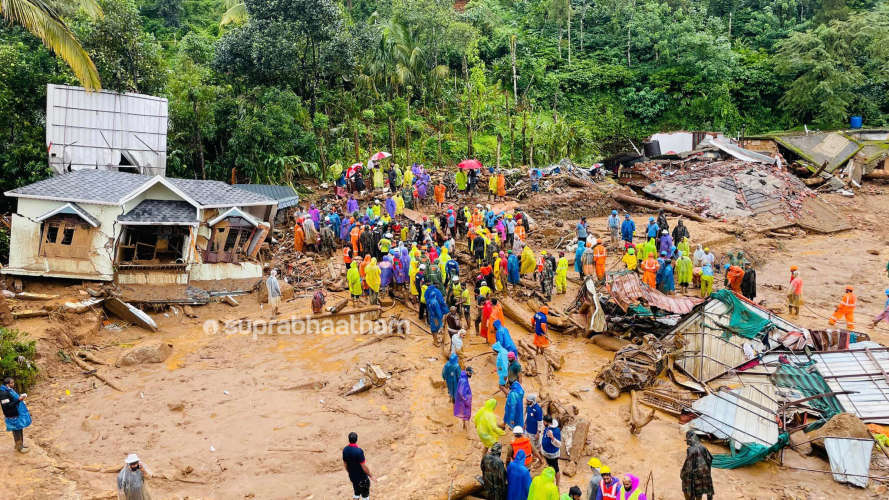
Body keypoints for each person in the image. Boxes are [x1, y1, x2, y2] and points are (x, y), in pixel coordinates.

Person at [681, 431, 713, 500]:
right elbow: (709, 461)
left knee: (688, 492)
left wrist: (682, 475)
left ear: (690, 439)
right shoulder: (704, 448)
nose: (688, 443)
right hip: (702, 480)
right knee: (699, 496)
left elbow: (687, 468)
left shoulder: (691, 450)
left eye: (688, 440)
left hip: (693, 480)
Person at [2, 377, 31, 453]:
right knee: (16, 430)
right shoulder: (3, 393)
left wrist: (19, 398)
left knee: (19, 428)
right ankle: (19, 448)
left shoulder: (9, 390)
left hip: (16, 412)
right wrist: (19, 400)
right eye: (12, 383)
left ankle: (20, 444)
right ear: (7, 384)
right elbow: (7, 406)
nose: (13, 384)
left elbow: (12, 400)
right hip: (12, 414)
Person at [343, 432, 373, 500]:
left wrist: (350, 472)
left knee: (356, 492)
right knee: (365, 496)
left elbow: (345, 464)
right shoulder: (359, 451)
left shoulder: (345, 450)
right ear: (356, 440)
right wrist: (370, 475)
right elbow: (363, 466)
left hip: (353, 477)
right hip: (361, 478)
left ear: (349, 439)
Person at [541, 415, 562, 488]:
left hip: (552, 455)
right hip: (546, 453)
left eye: (544, 421)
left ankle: (557, 484)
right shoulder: (547, 427)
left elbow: (559, 444)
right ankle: (550, 481)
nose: (543, 422)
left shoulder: (556, 431)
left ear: (547, 422)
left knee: (556, 468)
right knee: (549, 467)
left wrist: (552, 438)